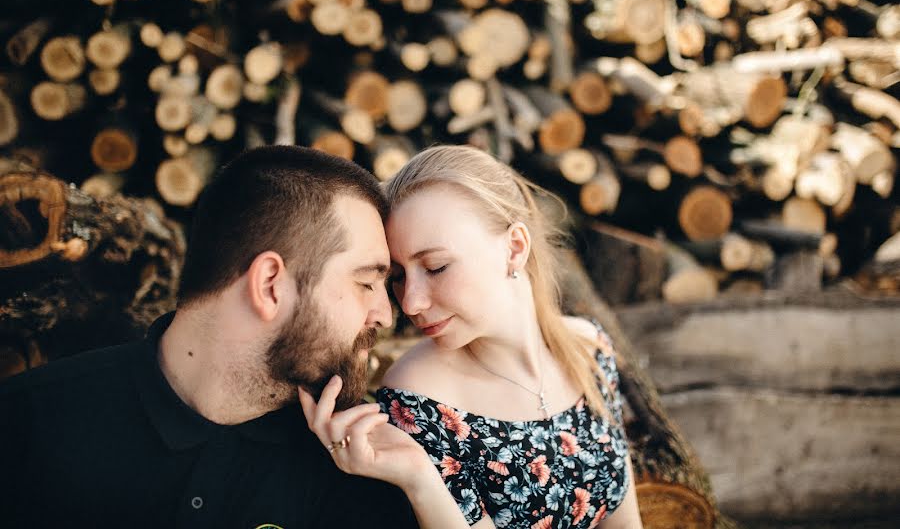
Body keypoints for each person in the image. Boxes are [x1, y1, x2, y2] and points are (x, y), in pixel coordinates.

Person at [0, 146, 448, 528]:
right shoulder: (27, 427)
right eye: (366, 282)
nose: (387, 315)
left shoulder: (361, 470)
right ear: (270, 284)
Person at [374, 145, 645, 528]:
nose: (412, 302)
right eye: (398, 277)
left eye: (436, 267)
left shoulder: (589, 349)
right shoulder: (419, 398)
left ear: (515, 248)